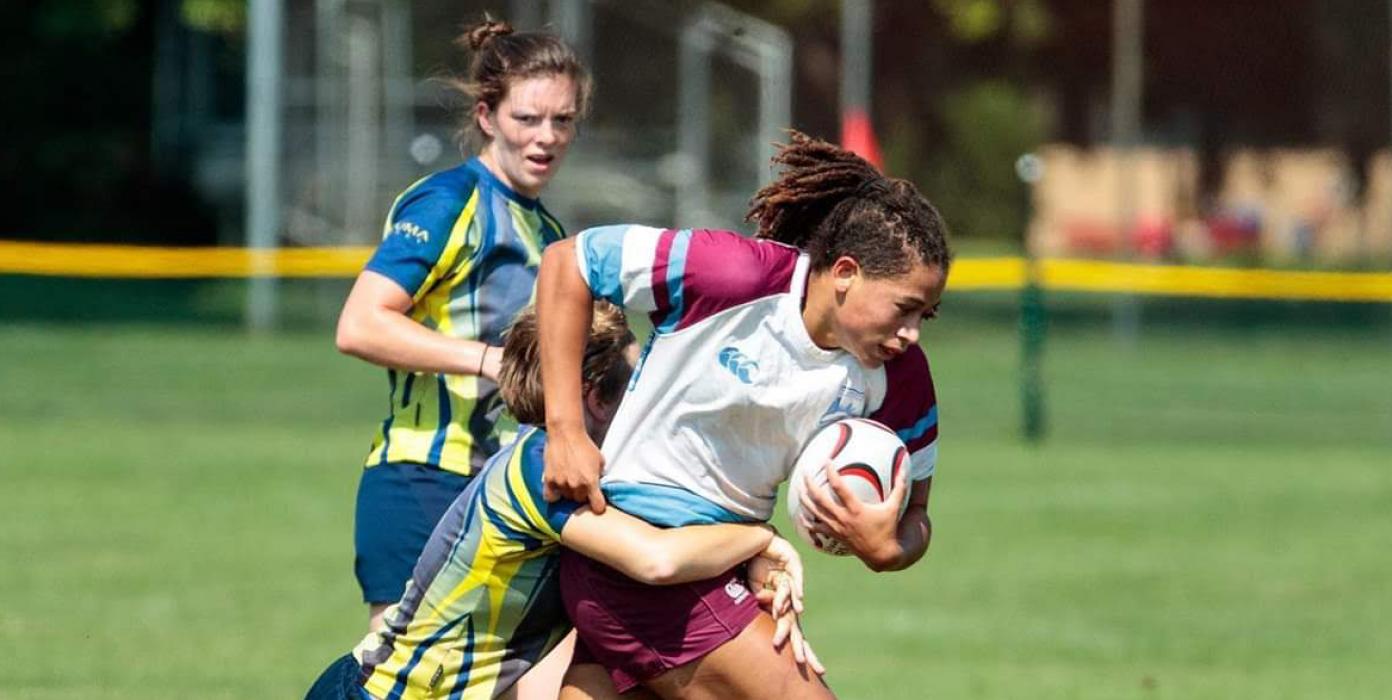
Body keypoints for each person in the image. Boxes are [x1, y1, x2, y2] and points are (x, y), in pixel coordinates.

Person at [535, 132, 948, 698]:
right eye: (904, 309)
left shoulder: (900, 379)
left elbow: (917, 514)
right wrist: (565, 430)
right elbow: (569, 262)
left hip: (718, 566)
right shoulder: (732, 276)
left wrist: (891, 548)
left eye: (927, 314)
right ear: (846, 273)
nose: (912, 333)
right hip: (631, 554)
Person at [307, 302, 809, 700]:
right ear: (593, 395)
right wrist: (760, 538)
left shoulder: (571, 461)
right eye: (633, 382)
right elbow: (656, 559)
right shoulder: (542, 464)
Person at [333, 18, 590, 634]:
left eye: (562, 120)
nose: (546, 137)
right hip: (423, 478)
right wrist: (488, 359)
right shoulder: (450, 203)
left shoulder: (550, 234)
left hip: (506, 490)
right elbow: (360, 324)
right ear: (486, 117)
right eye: (527, 119)